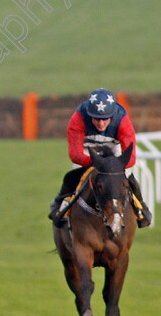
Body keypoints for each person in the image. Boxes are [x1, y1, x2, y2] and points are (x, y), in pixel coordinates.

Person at [48, 88, 152, 228]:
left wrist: (112, 165)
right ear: (89, 114)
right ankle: (59, 205)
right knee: (74, 175)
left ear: (112, 116)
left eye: (105, 119)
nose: (101, 124)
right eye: (96, 119)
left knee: (126, 176)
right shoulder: (78, 118)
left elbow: (130, 157)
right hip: (87, 150)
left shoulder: (122, 119)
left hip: (112, 149)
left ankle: (141, 207)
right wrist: (96, 163)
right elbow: (75, 155)